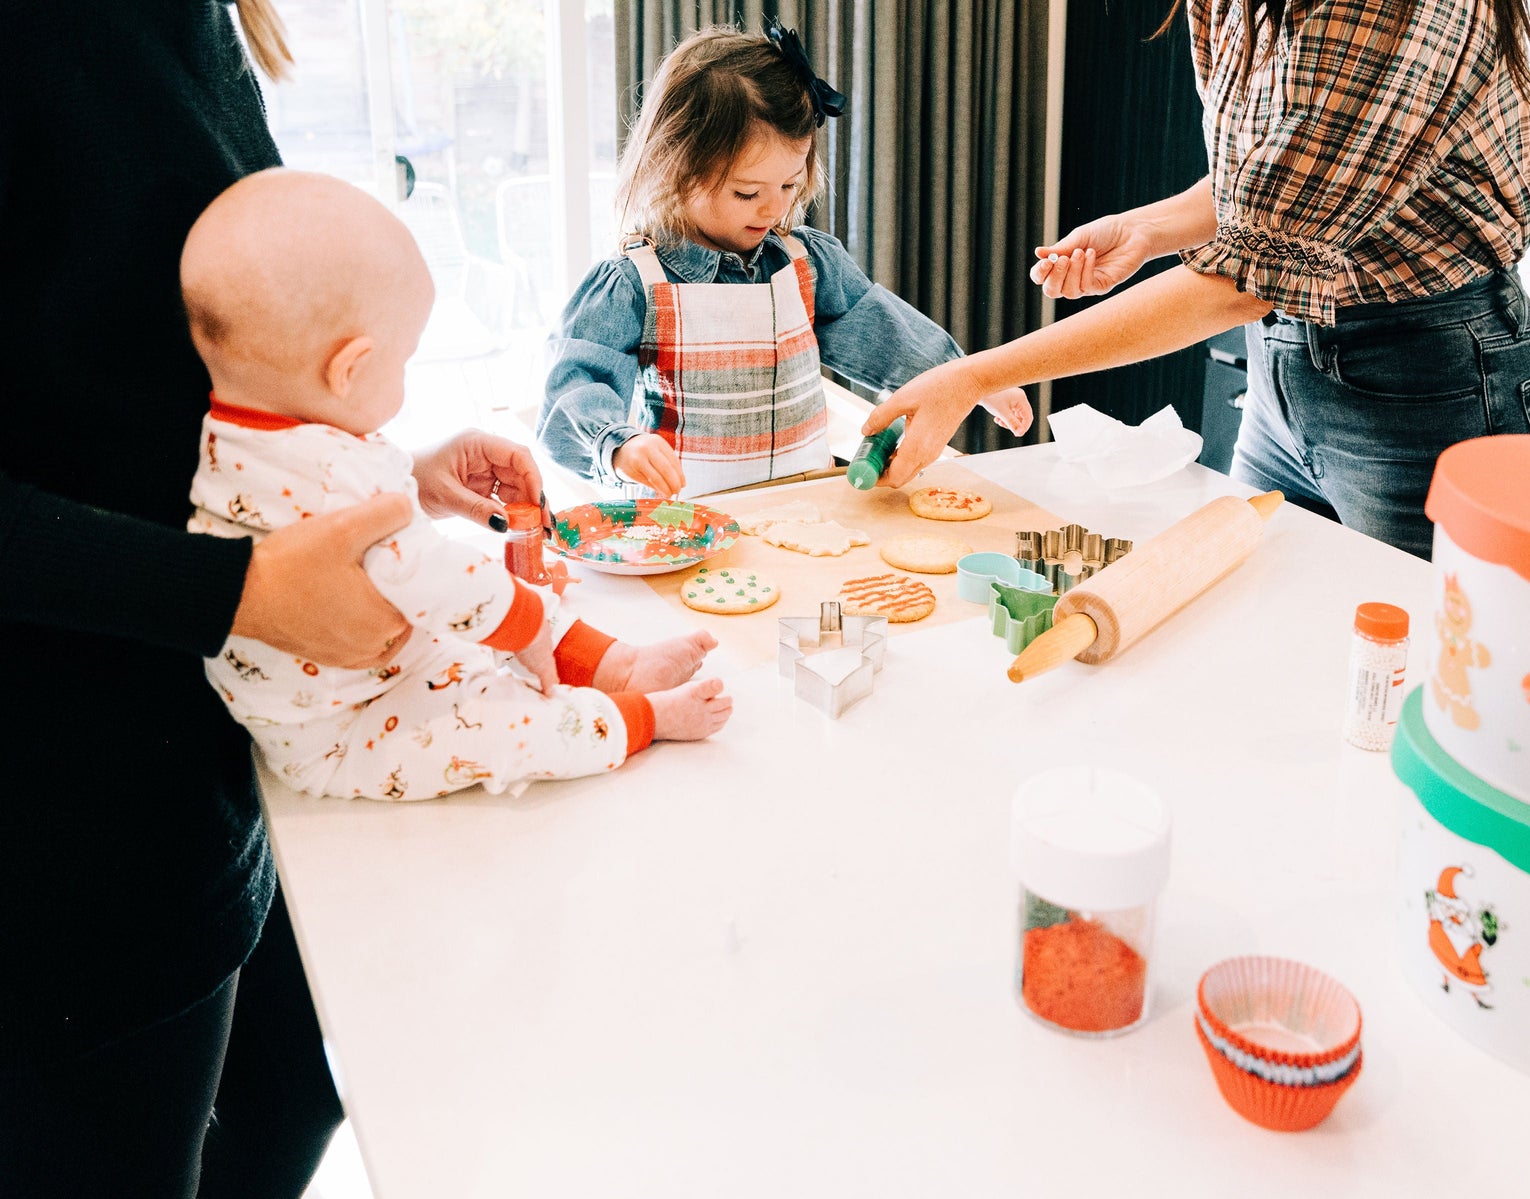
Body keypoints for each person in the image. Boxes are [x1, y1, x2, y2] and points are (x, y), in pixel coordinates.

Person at [1, 4, 543, 1194]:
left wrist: (367, 473)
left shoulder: (191, 20)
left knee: (297, 1094)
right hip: (65, 833)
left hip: (218, 750)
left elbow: (140, 381)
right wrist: (232, 590)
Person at [863, 0, 1530, 560]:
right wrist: (1147, 228)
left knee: (1425, 683)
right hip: (1283, 374)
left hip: (1434, 384)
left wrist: (973, 375)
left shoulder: (1392, 12)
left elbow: (1236, 283)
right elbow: (1274, 181)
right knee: (1270, 646)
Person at [185, 169, 732, 801]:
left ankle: (618, 666)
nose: (405, 378)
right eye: (403, 360)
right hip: (343, 730)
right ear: (350, 369)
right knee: (499, 719)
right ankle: (641, 719)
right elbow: (427, 574)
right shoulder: (334, 471)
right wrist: (522, 616)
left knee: (485, 619)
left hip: (372, 662)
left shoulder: (241, 438)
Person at [538, 22, 1034, 499]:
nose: (775, 209)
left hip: (801, 506)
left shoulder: (806, 262)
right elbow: (576, 382)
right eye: (747, 191)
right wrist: (619, 444)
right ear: (676, 169)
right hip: (688, 524)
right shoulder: (632, 283)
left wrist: (971, 379)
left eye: (789, 185)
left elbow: (888, 336)